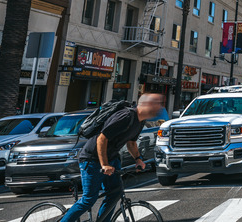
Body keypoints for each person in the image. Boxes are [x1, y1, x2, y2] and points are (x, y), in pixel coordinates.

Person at [61, 93, 165, 222]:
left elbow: (131, 142)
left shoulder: (140, 121)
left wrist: (138, 159)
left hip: (112, 158)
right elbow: (101, 139)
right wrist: (104, 164)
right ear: (145, 104)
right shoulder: (125, 116)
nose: (159, 107)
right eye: (156, 104)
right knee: (89, 199)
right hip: (91, 158)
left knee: (115, 193)